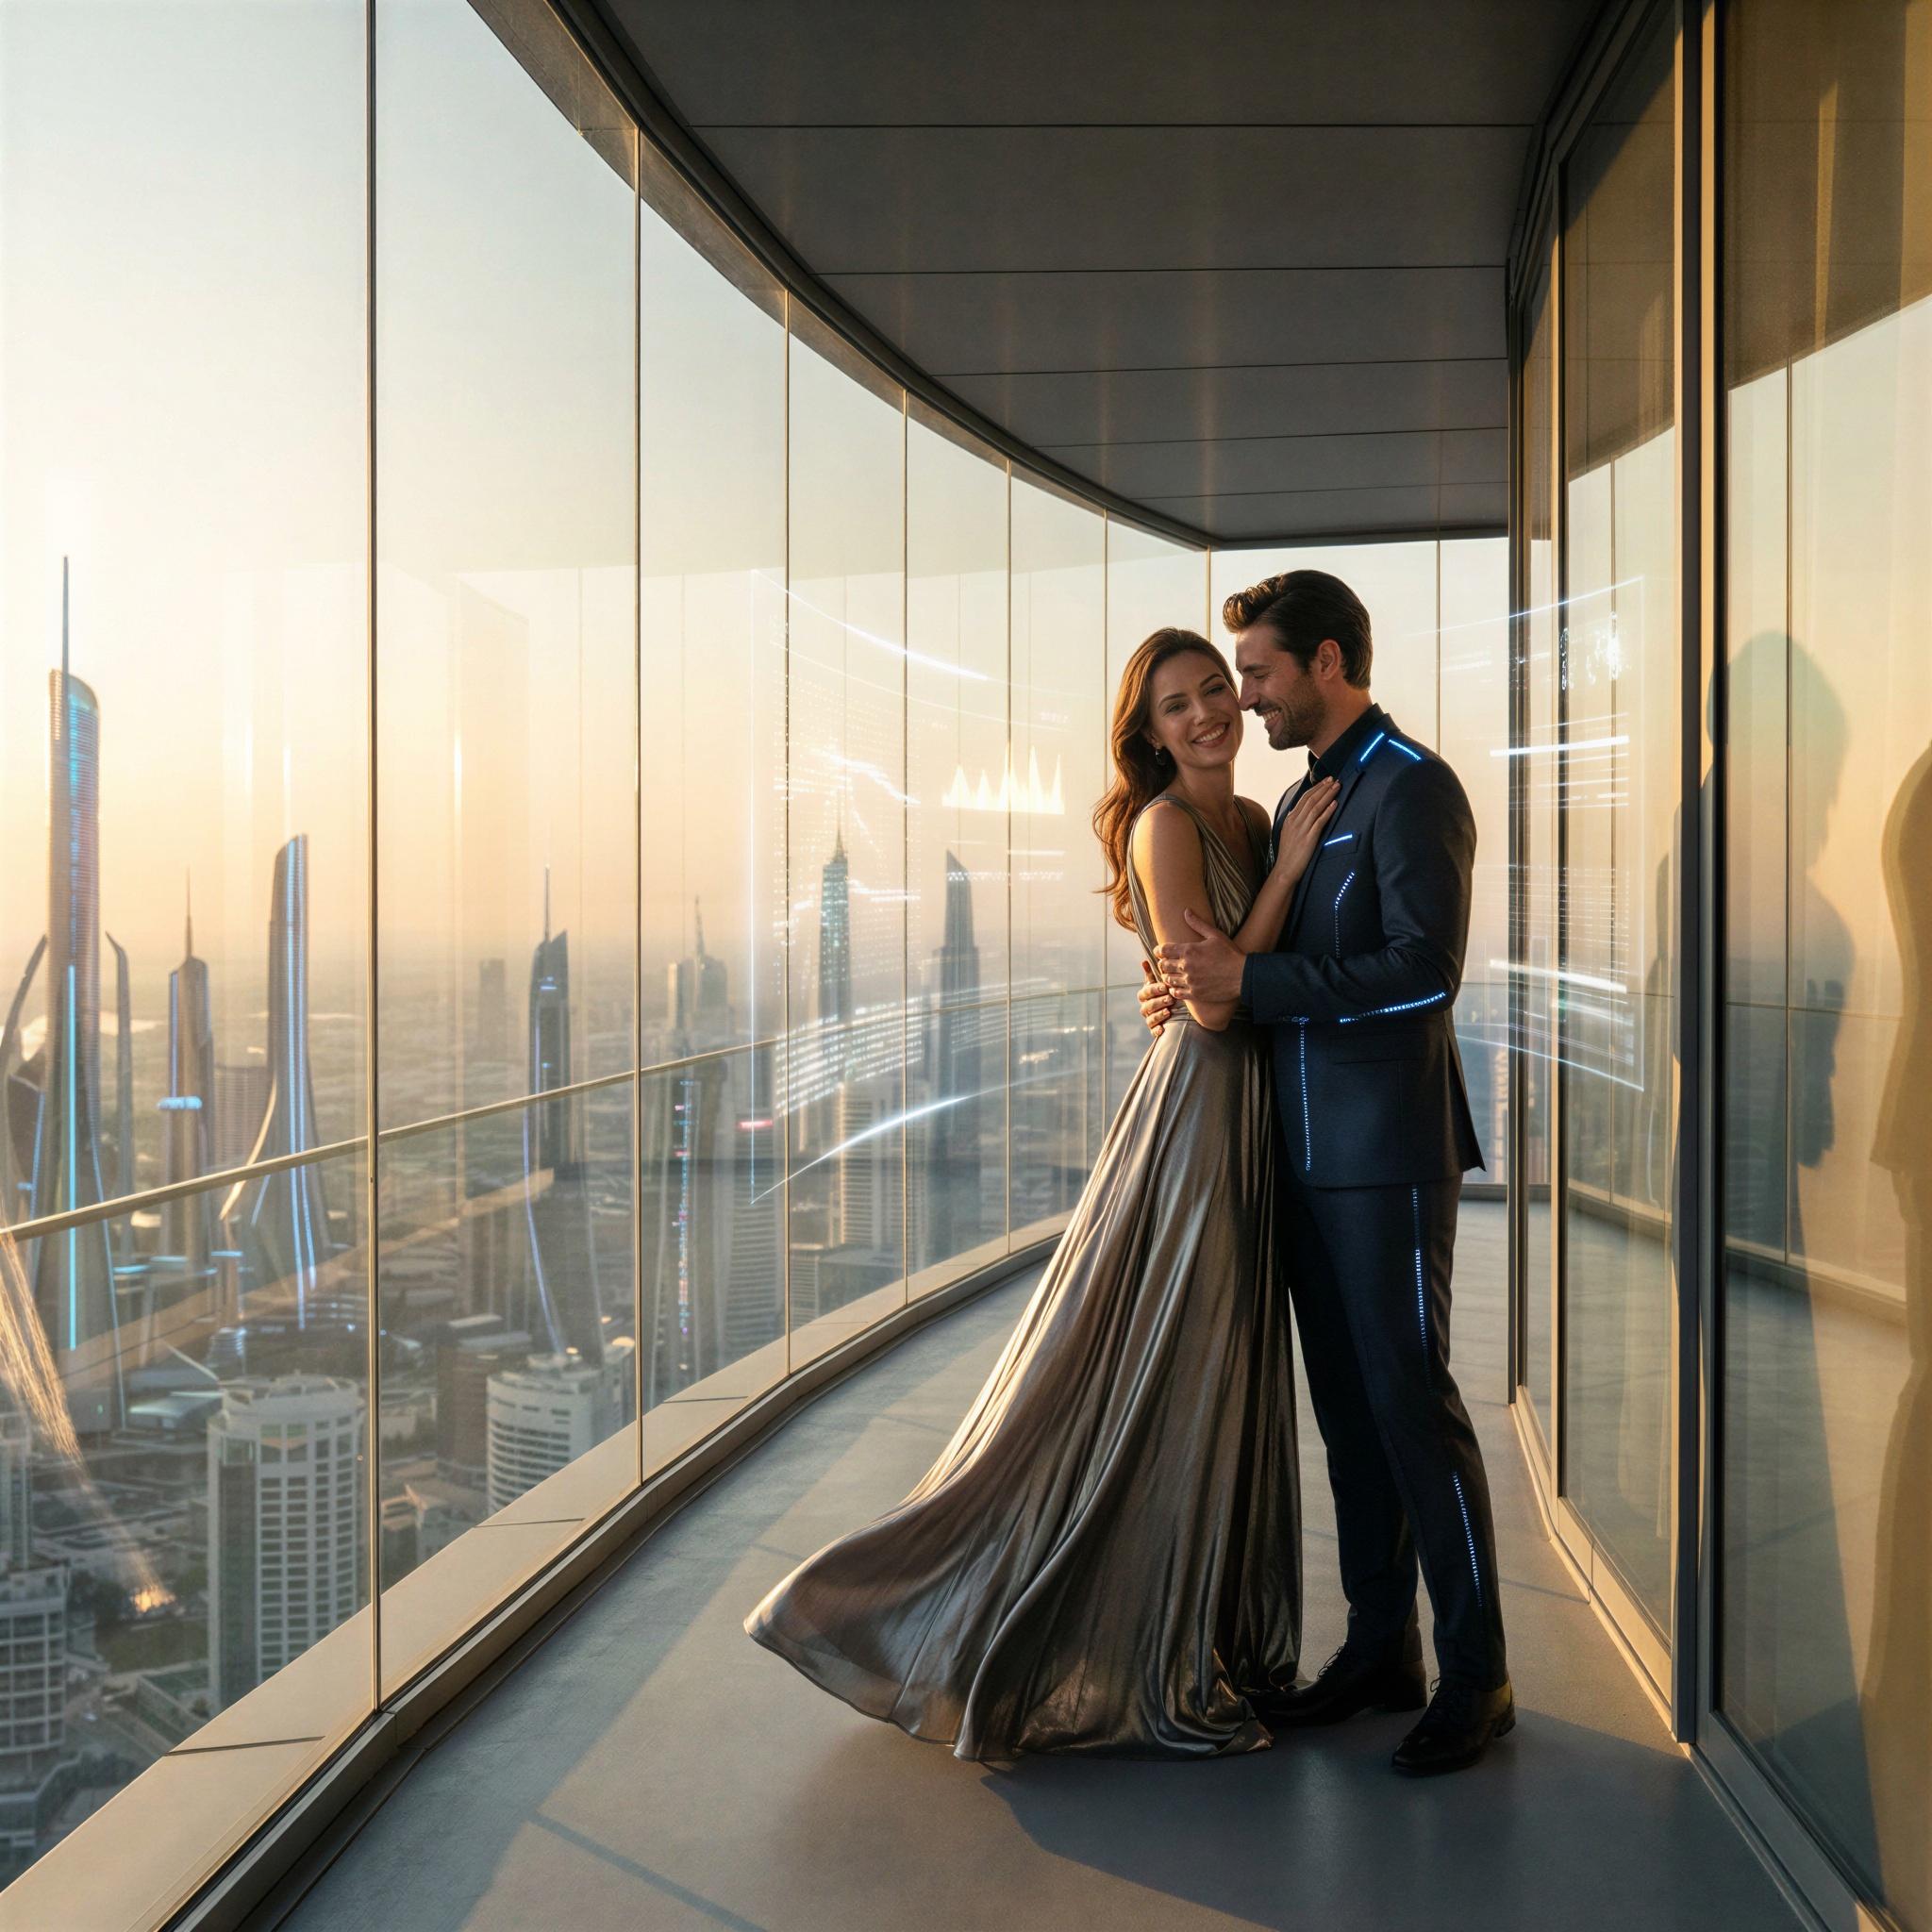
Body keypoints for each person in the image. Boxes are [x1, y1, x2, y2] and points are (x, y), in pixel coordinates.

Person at [745, 627, 1337, 1758]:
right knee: (1165, 1359)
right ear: (1150, 733)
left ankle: (1208, 1626)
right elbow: (1211, 1007)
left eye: (1217, 688)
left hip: (1251, 1111)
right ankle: (927, 1608)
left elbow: (1217, 974)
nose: (1207, 712)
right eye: (1177, 704)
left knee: (1221, 1366)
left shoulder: (1255, 821)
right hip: (1201, 1112)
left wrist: (1261, 895)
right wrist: (1289, 881)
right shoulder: (1170, 824)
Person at [1143, 569, 1513, 1775]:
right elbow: (1224, 956)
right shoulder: (1305, 795)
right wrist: (1193, 983)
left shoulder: (1411, 788)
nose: (1242, 698)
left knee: (1412, 1406)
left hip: (1386, 1155)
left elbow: (1424, 972)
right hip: (1294, 1155)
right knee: (1348, 1418)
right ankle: (1378, 1650)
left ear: (1329, 661)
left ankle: (1477, 1674)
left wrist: (1250, 985)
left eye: (1254, 672)